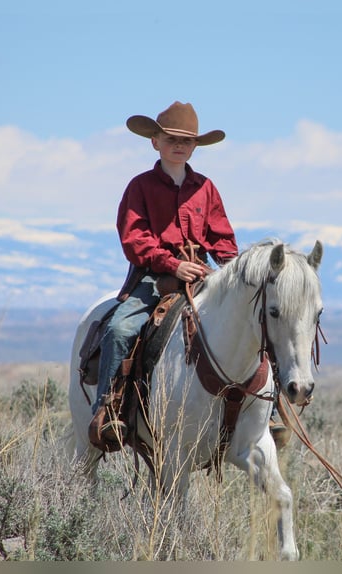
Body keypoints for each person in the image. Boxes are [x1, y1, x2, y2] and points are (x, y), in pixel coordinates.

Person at [93, 101, 239, 442]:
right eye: (171, 138)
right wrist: (174, 264)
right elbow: (135, 239)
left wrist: (232, 272)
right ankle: (108, 408)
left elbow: (222, 238)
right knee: (118, 328)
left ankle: (265, 411)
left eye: (187, 141)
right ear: (154, 141)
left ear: (195, 147)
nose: (179, 145)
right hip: (152, 277)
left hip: (202, 274)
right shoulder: (140, 187)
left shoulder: (206, 188)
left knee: (251, 317)